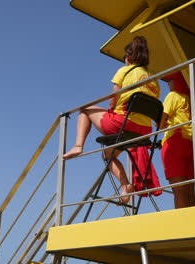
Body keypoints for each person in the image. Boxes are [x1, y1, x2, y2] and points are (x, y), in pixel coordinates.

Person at [62, 36, 160, 203]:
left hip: (123, 124)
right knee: (108, 154)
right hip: (144, 132)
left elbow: (113, 99)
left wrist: (110, 111)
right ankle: (126, 187)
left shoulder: (125, 71)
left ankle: (78, 146)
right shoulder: (153, 79)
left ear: (128, 58)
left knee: (85, 110)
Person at [160, 71, 195, 209]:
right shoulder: (190, 98)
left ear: (175, 82)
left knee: (179, 191)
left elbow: (160, 123)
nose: (168, 84)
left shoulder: (173, 96)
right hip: (190, 144)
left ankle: (184, 228)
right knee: (191, 191)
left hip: (175, 142)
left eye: (169, 81)